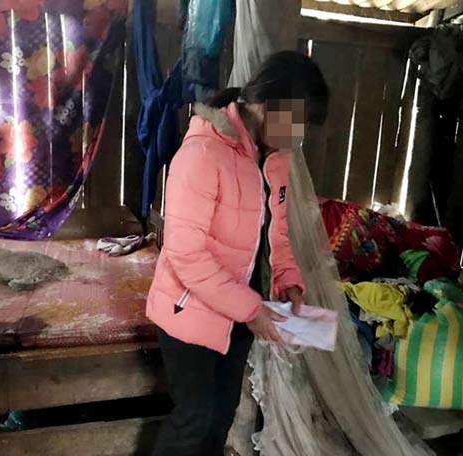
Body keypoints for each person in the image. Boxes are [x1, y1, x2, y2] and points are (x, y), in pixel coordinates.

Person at [146, 51, 329, 456]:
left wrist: (288, 281)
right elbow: (186, 255)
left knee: (220, 417)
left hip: (239, 316)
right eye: (296, 124)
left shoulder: (275, 161)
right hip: (189, 311)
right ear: (269, 105)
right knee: (193, 420)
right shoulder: (202, 154)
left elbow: (276, 233)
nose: (297, 138)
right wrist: (251, 309)